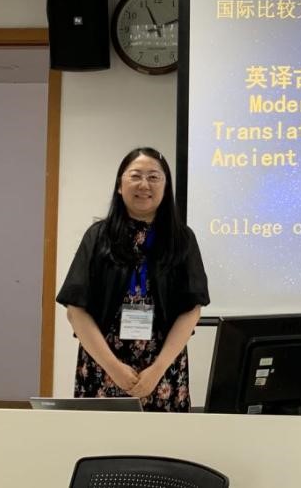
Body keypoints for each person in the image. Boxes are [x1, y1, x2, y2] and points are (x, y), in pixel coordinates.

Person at [56, 147, 209, 411]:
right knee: (102, 435)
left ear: (166, 187)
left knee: (162, 436)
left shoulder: (182, 239)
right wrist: (114, 369)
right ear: (119, 185)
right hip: (103, 366)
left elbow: (191, 309)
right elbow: (76, 311)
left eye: (154, 177)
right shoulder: (98, 237)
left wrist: (157, 370)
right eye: (135, 176)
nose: (144, 185)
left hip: (162, 370)